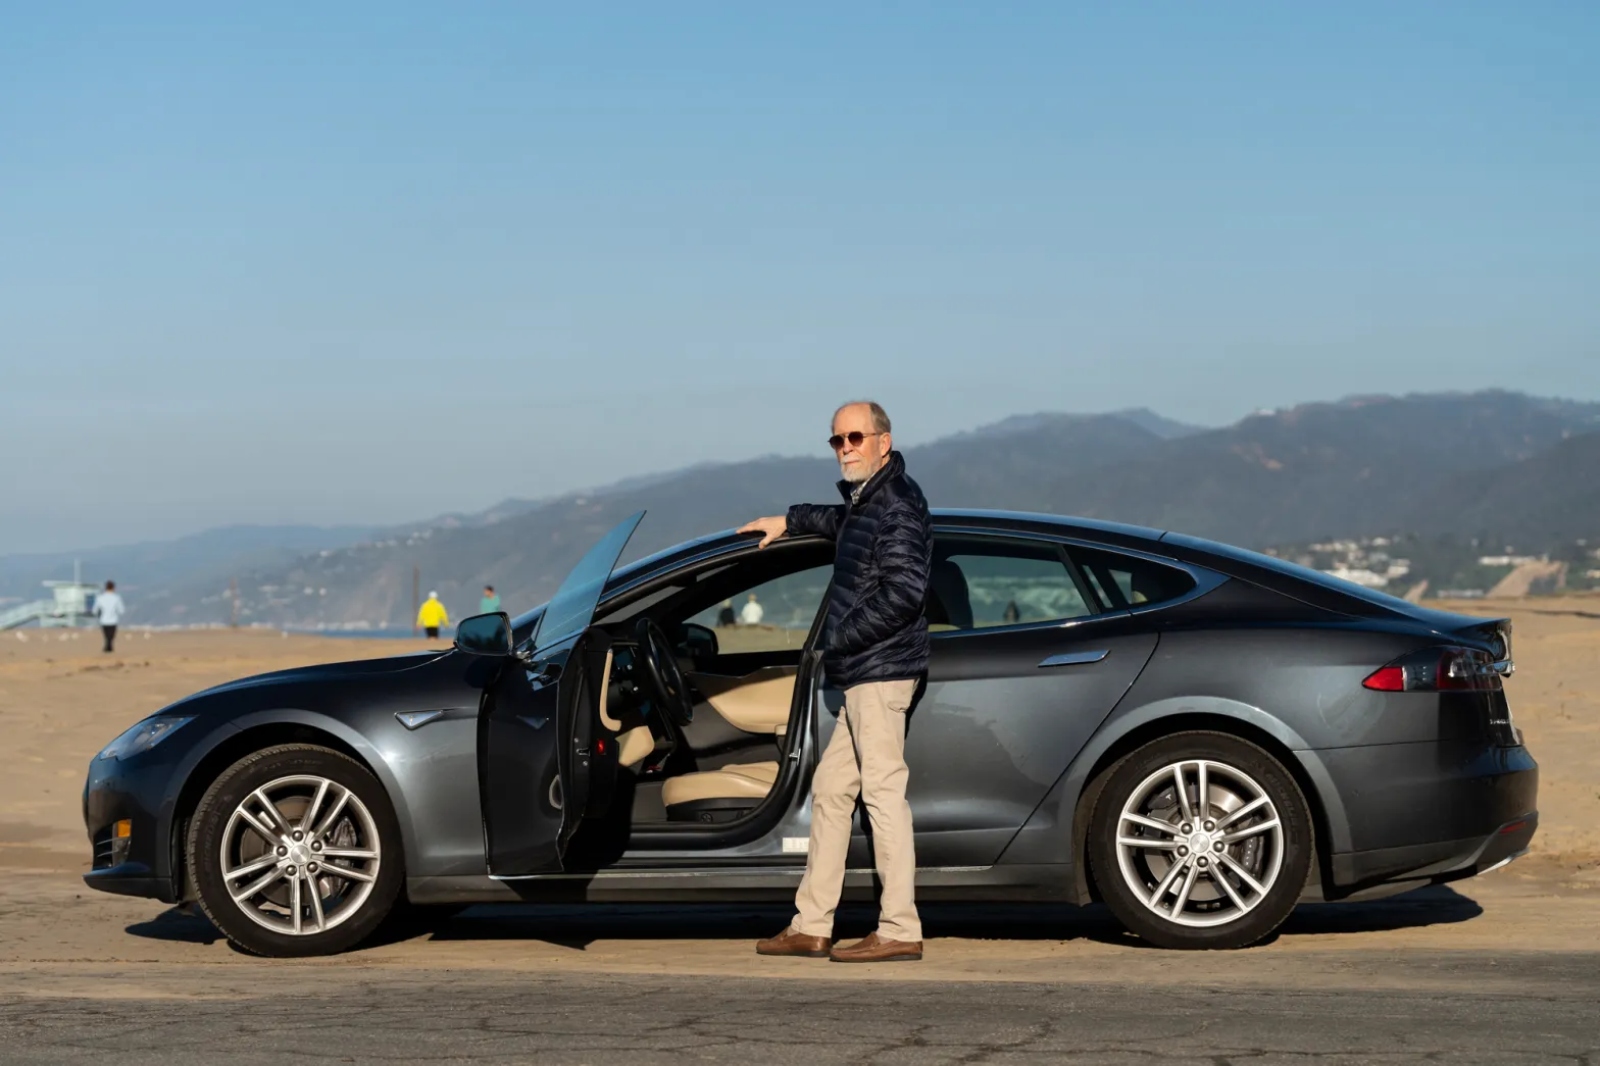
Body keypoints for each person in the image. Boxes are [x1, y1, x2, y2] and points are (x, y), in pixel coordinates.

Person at [739, 400, 932, 964]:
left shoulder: (895, 506)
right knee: (830, 793)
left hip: (879, 670)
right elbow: (840, 523)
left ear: (883, 441)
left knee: (882, 795)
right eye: (836, 441)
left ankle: (899, 928)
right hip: (863, 672)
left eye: (854, 437)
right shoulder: (869, 501)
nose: (845, 448)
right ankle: (812, 924)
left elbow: (904, 594)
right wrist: (789, 519)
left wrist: (838, 638)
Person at [92, 580, 126, 653]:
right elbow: (121, 610)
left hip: (103, 620)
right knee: (111, 636)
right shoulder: (116, 598)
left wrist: (97, 614)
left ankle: (108, 646)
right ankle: (109, 646)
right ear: (113, 588)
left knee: (107, 635)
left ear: (105, 588)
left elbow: (95, 610)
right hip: (113, 620)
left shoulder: (100, 598)